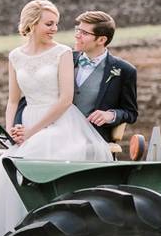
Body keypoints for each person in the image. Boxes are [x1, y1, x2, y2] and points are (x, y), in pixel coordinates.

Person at [0, 0, 112, 236]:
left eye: (56, 23)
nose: (54, 28)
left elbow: (65, 99)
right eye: (49, 23)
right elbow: (12, 100)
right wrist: (12, 129)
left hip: (60, 122)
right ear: (32, 24)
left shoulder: (62, 53)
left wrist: (31, 132)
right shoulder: (16, 56)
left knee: (24, 159)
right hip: (28, 121)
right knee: (5, 169)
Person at [14, 10, 138, 141]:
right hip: (49, 133)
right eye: (78, 30)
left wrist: (111, 115)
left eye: (84, 33)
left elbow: (130, 113)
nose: (77, 35)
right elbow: (31, 96)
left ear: (101, 40)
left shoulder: (124, 70)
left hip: (90, 138)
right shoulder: (61, 57)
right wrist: (18, 126)